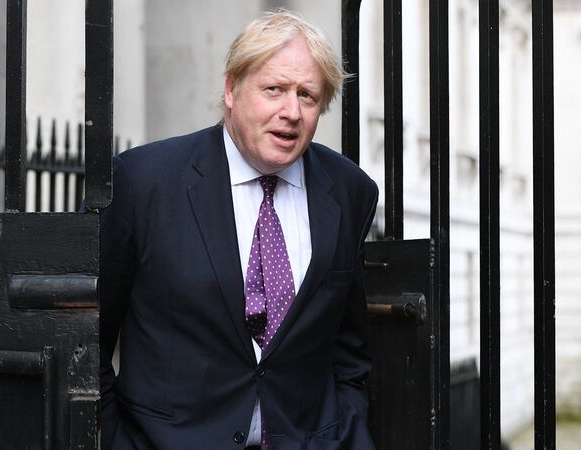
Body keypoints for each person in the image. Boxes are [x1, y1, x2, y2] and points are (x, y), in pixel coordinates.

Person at [100, 10, 378, 450]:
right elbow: (88, 337)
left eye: (307, 95)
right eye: (274, 89)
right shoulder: (144, 182)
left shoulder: (349, 191)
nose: (291, 112)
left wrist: (347, 428)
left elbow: (349, 348)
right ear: (231, 89)